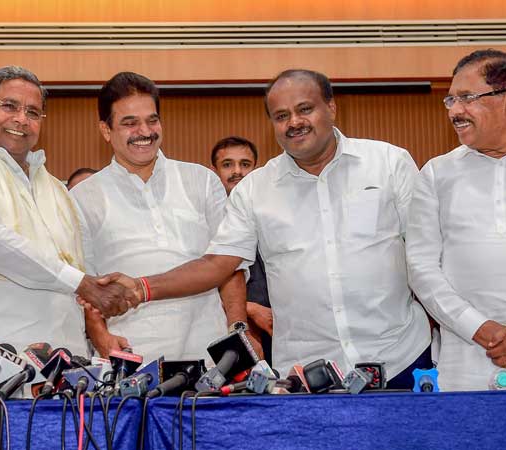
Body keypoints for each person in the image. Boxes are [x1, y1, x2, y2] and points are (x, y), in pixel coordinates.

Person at [99, 69, 432, 388]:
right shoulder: (255, 190)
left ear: (331, 107)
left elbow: (425, 256)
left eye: (305, 109)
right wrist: (142, 287)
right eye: (281, 115)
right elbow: (218, 264)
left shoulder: (388, 163)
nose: (294, 122)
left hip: (400, 357)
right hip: (304, 372)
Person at [0, 66, 131, 354]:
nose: (21, 119)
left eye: (33, 112)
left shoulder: (57, 190)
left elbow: (85, 266)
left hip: (64, 356)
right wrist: (82, 284)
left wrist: (101, 325)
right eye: (9, 106)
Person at [70, 72, 245, 361]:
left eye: (152, 120)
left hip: (209, 351)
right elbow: (85, 286)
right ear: (106, 130)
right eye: (130, 123)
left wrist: (238, 331)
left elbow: (229, 266)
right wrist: (100, 336)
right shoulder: (82, 197)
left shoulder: (201, 180)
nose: (145, 131)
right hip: (132, 357)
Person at [406, 49, 506, 391]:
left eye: (467, 98)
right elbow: (422, 269)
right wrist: (481, 330)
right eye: (451, 100)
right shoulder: (436, 174)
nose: (454, 111)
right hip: (467, 364)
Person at [211, 136, 273, 364]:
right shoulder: (205, 220)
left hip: (278, 331)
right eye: (227, 164)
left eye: (245, 164)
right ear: (214, 171)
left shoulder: (271, 214)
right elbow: (195, 285)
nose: (237, 171)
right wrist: (249, 309)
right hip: (229, 331)